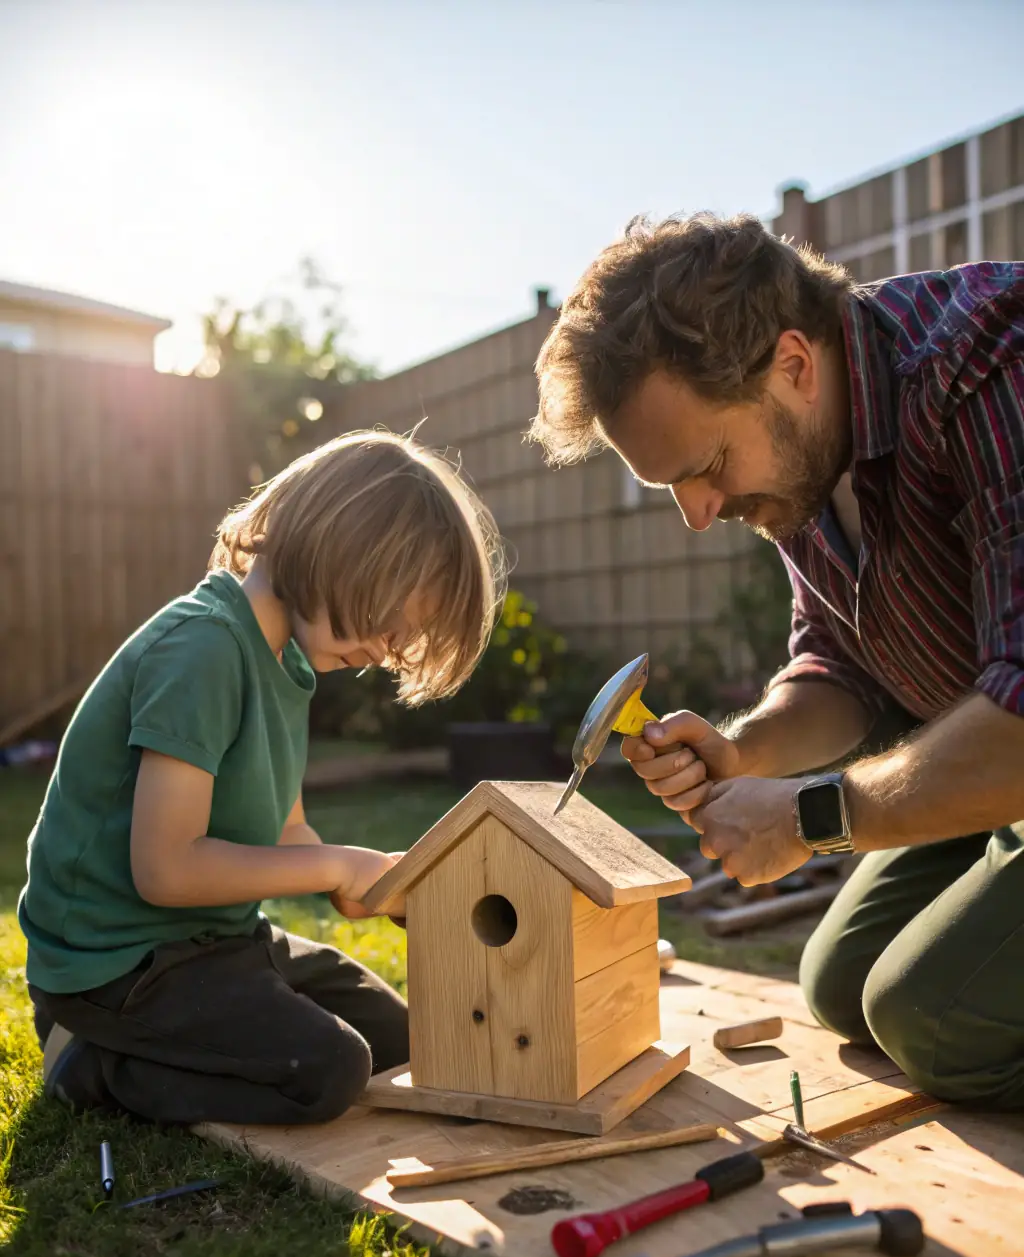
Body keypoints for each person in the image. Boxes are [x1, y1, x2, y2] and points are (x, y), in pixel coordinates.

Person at [529, 212, 1024, 1109]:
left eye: (708, 464)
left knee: (933, 1017)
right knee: (842, 984)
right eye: (675, 484)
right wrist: (746, 749)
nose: (700, 511)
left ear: (793, 364)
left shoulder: (989, 370)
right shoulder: (800, 455)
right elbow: (841, 662)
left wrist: (809, 817)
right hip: (1001, 774)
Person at [22, 429, 504, 1125]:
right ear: (340, 548)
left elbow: (286, 832)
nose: (388, 648)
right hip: (116, 967)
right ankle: (94, 1062)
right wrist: (337, 864)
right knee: (328, 1071)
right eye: (389, 616)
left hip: (214, 940)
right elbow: (165, 869)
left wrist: (370, 881)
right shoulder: (204, 648)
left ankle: (181, 1033)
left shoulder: (288, 665)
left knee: (405, 1040)